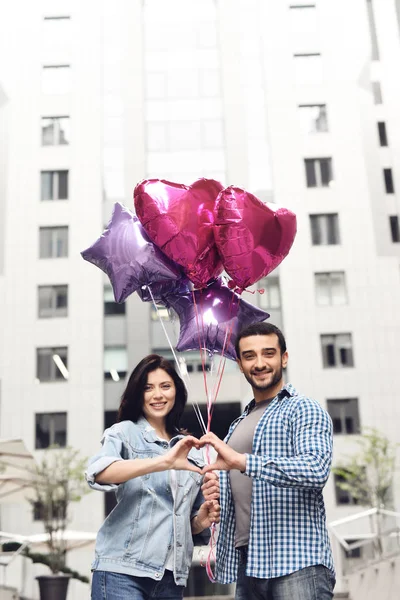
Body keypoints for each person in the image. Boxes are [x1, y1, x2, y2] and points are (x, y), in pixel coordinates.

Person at [200, 322, 335, 600]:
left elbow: (316, 468)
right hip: (249, 564)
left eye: (268, 353)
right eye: (249, 356)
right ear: (239, 363)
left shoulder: (302, 408)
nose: (259, 363)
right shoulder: (238, 424)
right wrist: (216, 492)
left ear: (284, 358)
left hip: (296, 561)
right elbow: (241, 488)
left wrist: (244, 462)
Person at [85, 354, 220, 600]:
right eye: (148, 388)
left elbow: (182, 525)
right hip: (122, 572)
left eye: (165, 386)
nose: (157, 395)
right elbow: (98, 473)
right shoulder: (125, 432)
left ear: (176, 392)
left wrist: (201, 521)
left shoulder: (191, 450)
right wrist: (163, 462)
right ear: (139, 394)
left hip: (172, 579)